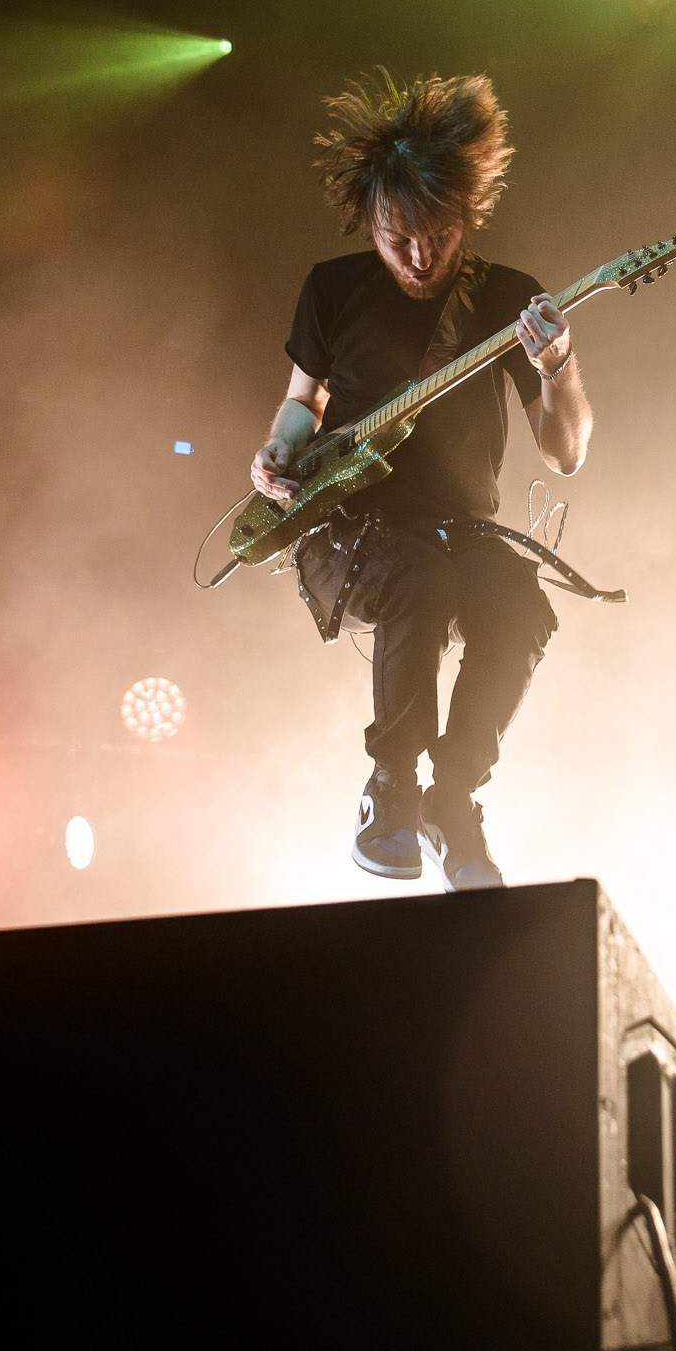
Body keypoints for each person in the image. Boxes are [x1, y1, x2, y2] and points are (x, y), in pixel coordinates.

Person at [249, 71, 593, 891]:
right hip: (350, 535)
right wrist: (274, 449)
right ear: (370, 217)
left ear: (466, 215)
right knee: (420, 576)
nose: (418, 255)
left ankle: (451, 797)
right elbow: (304, 403)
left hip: (457, 531)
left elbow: (565, 453)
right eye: (396, 236)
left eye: (437, 233)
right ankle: (390, 787)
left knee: (520, 608)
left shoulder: (509, 299)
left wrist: (561, 369)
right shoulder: (332, 289)